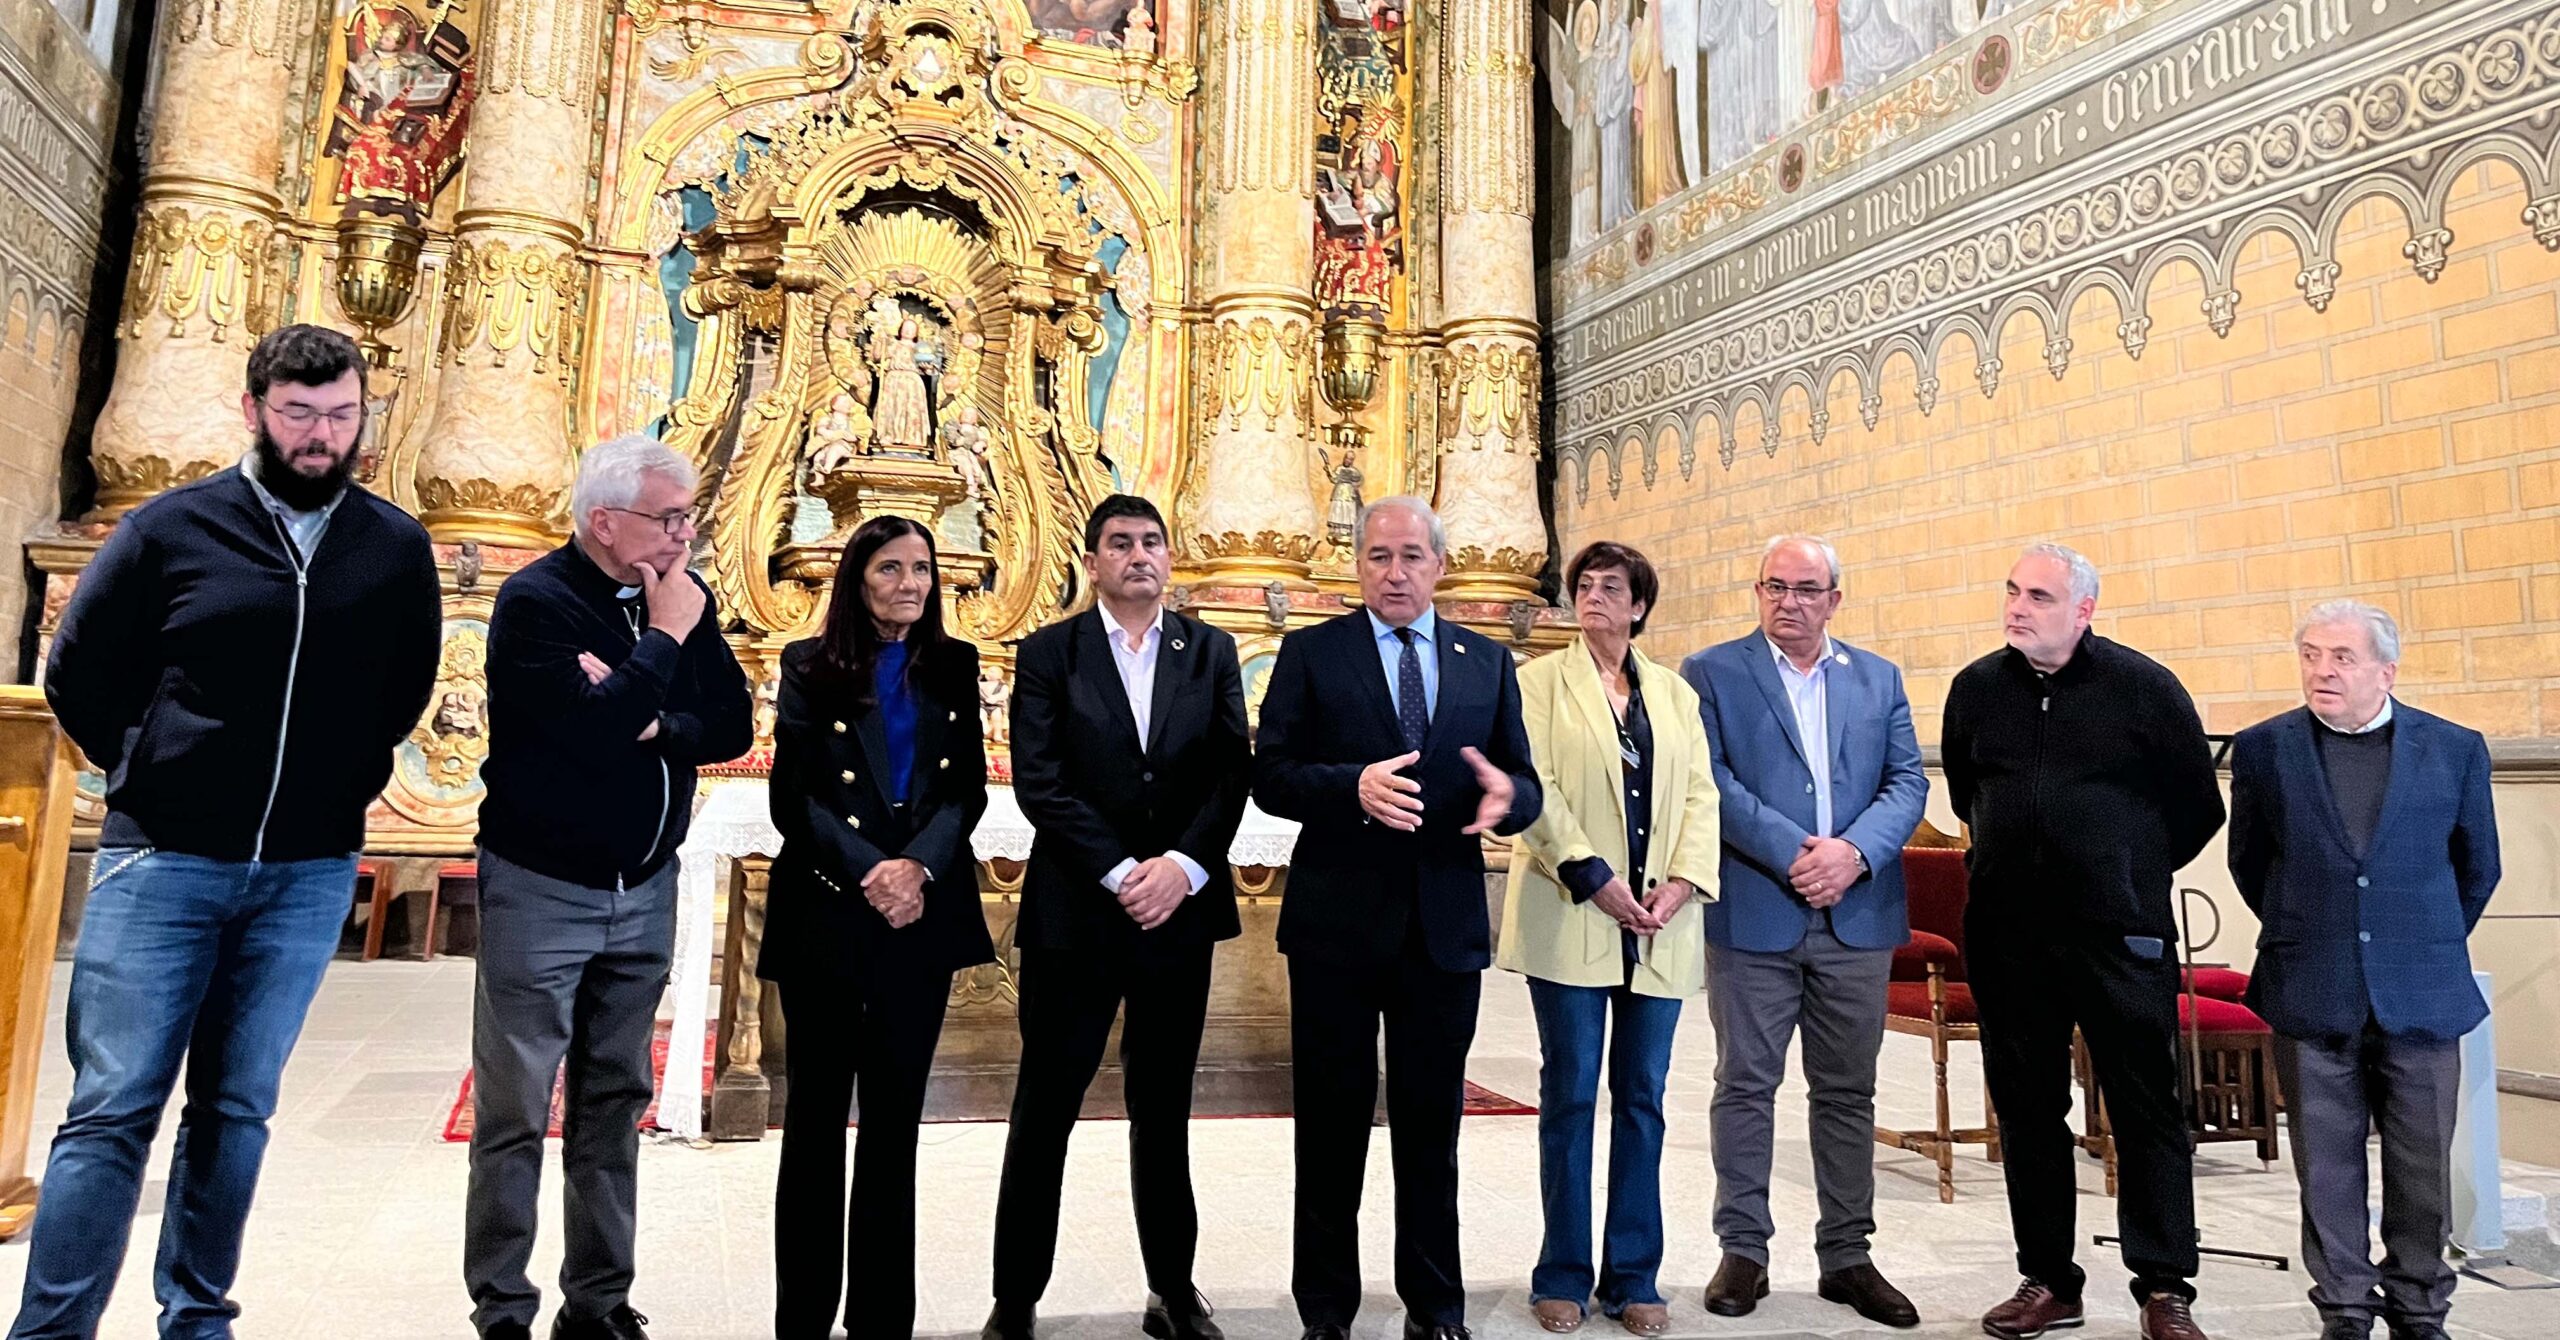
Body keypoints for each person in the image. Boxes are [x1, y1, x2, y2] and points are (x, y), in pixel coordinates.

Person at [19, 323, 441, 1340]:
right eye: (299, 415)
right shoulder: (170, 528)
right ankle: (50, 1329)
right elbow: (79, 669)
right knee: (112, 1108)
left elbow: (403, 688)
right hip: (162, 858)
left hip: (302, 871)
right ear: (253, 411)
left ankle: (197, 1317)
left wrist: (339, 779)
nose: (321, 436)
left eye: (340, 415)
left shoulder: (393, 547)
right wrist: (148, 763)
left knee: (236, 1108)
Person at [468, 435, 754, 1340]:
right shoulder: (537, 603)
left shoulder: (679, 599)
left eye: (688, 516)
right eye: (670, 518)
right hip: (543, 888)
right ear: (604, 520)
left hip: (645, 890)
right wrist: (663, 645)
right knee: (515, 1107)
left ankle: (596, 1302)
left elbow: (734, 726)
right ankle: (504, 1309)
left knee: (612, 1102)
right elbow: (587, 737)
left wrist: (651, 711)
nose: (686, 533)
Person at [1253, 496, 1542, 1340]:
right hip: (1336, 927)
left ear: (1439, 565)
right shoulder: (1310, 654)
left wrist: (1508, 797)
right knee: (1332, 1130)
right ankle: (1326, 1312)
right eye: (1379, 556)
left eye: (1412, 556)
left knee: (1431, 1130)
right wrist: (1351, 786)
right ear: (1358, 563)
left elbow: (1522, 783)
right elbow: (1270, 775)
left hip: (1443, 930)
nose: (1395, 572)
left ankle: (1436, 1307)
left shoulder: (1486, 663)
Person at [1941, 543, 2225, 1340]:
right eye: (2011, 592)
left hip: (2117, 933)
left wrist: (2122, 869)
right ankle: (2048, 1281)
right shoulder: (1975, 690)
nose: (2017, 607)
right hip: (2009, 936)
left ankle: (2165, 1287)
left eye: (2038, 596)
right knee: (2029, 1111)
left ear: (2084, 611)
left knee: (2144, 1108)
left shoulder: (2144, 689)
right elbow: (1970, 792)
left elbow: (2198, 808)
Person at [985, 496, 1251, 1340]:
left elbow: (1229, 773)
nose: (1138, 555)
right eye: (1120, 544)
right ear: (1093, 560)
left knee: (1164, 1105)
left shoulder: (1208, 649)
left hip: (1177, 914)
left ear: (1168, 559)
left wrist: (1181, 867)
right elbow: (1041, 779)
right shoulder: (1049, 652)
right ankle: (1015, 1296)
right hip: (1078, 915)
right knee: (1045, 1107)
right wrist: (1119, 870)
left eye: (1151, 542)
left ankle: (1172, 1289)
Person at [2228, 602, 2499, 1340]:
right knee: (2326, 1166)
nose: (2323, 670)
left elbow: (2478, 869)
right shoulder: (2263, 750)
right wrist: (2315, 934)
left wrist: (2416, 943)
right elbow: (2251, 865)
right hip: (2314, 983)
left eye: (2342, 657)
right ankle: (2345, 1305)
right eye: (2312, 655)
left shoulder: (2454, 749)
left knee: (2421, 1167)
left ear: (2387, 668)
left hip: (2422, 990)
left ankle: (2419, 1304)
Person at [1680, 534, 1928, 1329]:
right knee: (1746, 1085)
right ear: (1758, 593)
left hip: (1856, 914)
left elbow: (1907, 780)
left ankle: (1848, 1256)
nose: (1789, 602)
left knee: (1848, 1091)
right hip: (1757, 907)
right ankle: (1743, 1250)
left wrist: (1853, 854)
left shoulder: (1879, 677)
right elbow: (1708, 779)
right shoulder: (1713, 673)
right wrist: (1796, 853)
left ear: (1835, 599)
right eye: (1774, 587)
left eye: (1806, 589)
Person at [761, 515, 993, 1340]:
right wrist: (871, 868)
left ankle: (883, 1322)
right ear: (857, 579)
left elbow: (967, 791)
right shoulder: (808, 665)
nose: (910, 584)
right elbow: (794, 799)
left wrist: (917, 867)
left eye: (922, 570)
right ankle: (803, 1319)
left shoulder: (955, 665)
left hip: (918, 917)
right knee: (816, 1125)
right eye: (890, 569)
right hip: (829, 909)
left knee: (895, 1126)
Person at [1498, 542, 1719, 1337]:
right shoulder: (1533, 684)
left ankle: (1634, 1275)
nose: (1594, 597)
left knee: (1643, 1099)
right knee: (1570, 1093)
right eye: (1583, 586)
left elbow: (1700, 792)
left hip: (1660, 921)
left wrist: (1685, 881)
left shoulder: (1673, 694)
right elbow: (1534, 789)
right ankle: (1560, 1271)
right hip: (1575, 911)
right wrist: (1593, 875)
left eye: (1611, 588)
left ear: (1639, 606)